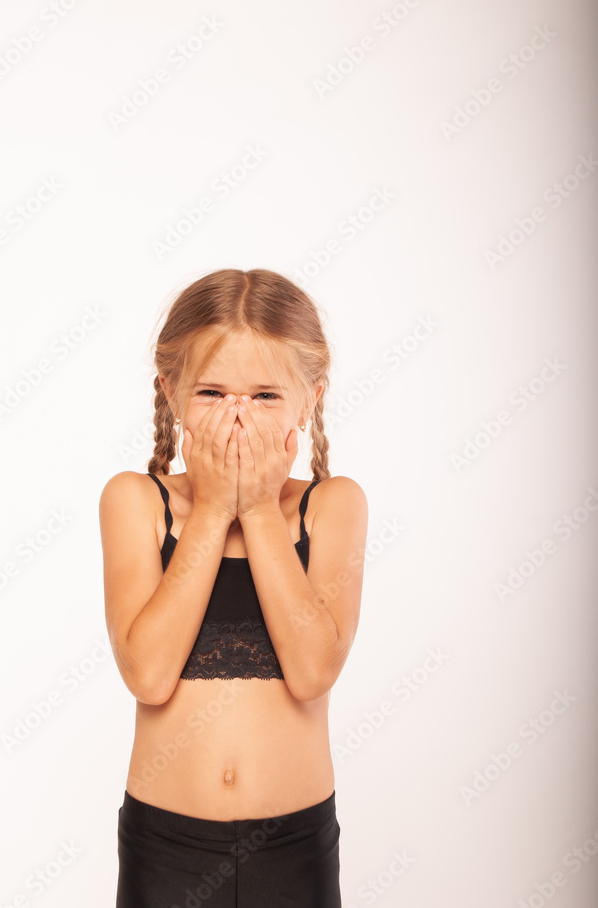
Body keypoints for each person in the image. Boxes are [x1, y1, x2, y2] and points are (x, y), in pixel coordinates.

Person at [99, 267, 368, 907]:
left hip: (293, 847)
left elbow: (312, 672)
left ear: (310, 400)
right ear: (170, 393)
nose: (237, 418)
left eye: (267, 396)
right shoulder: (135, 501)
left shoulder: (333, 506)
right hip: (165, 849)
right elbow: (148, 675)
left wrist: (256, 509)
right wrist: (216, 506)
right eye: (213, 393)